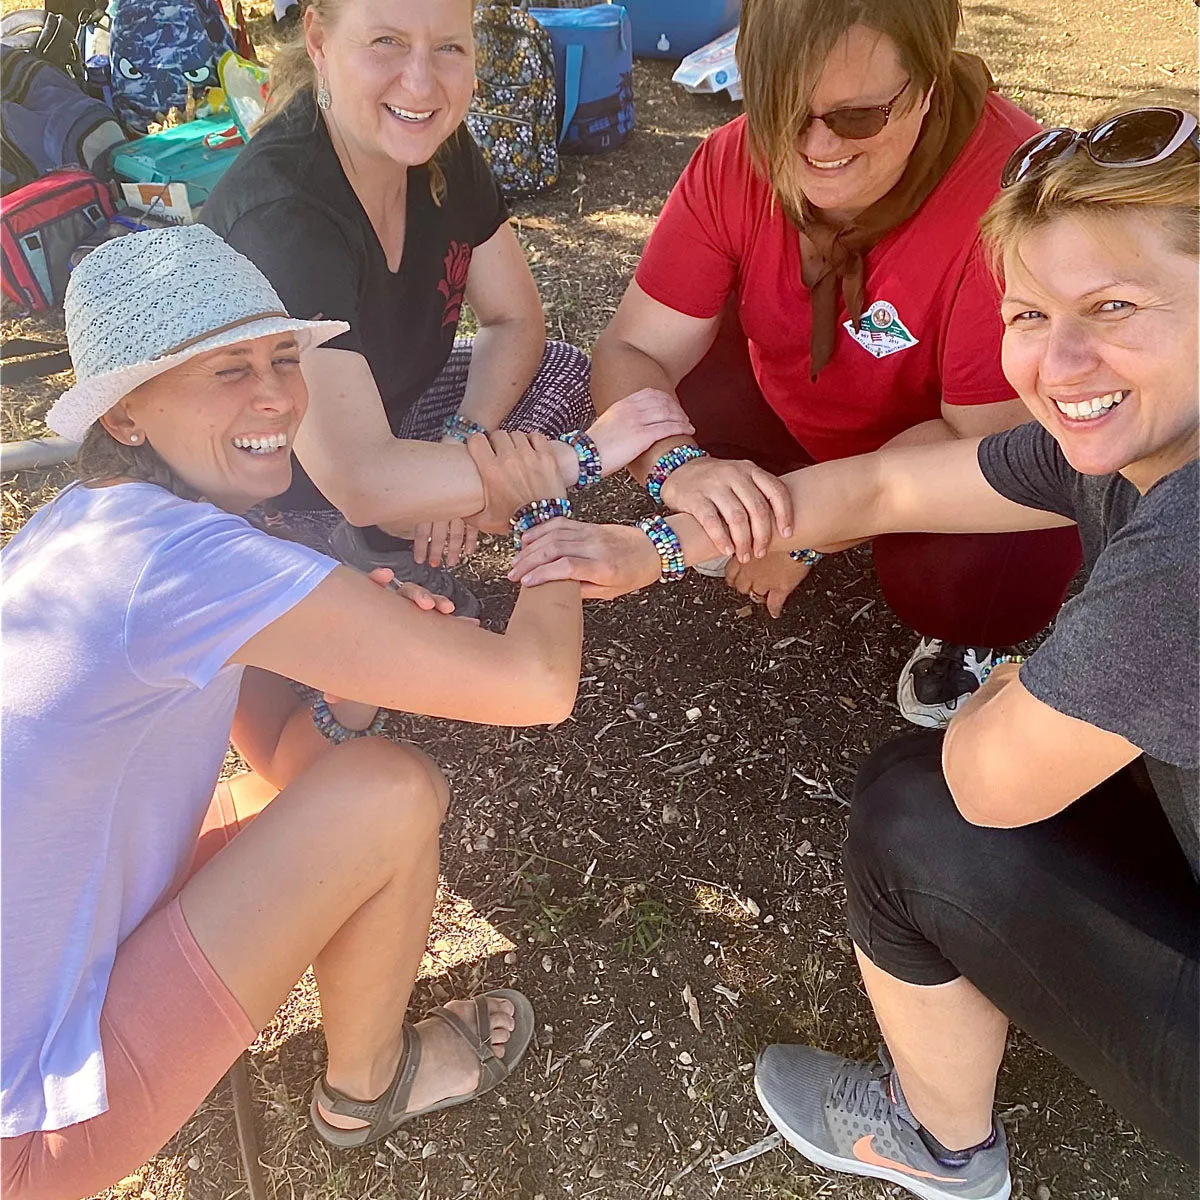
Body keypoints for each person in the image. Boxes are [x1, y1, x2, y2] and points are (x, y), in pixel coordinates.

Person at [507, 102, 1200, 1195]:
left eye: (1113, 307)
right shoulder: (1132, 435)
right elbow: (879, 483)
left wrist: (1026, 683)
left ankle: (940, 1145)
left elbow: (990, 778)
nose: (1058, 361)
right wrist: (656, 544)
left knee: (912, 807)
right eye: (1027, 311)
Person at [0, 223, 613, 1200]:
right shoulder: (190, 562)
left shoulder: (88, 530)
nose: (279, 396)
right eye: (227, 371)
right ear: (123, 417)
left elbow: (287, 757)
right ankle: (369, 1087)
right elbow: (538, 687)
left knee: (370, 788)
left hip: (58, 959)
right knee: (394, 791)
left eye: (283, 358)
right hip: (28, 1128)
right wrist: (548, 517)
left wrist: (349, 680)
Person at [589, 0, 1083, 726]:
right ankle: (757, 502)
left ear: (927, 88)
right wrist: (677, 467)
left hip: (958, 442)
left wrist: (803, 533)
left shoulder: (1010, 202)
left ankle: (966, 634)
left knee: (969, 570)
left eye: (855, 117)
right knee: (681, 393)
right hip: (817, 404)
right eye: (780, 108)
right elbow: (632, 348)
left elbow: (985, 448)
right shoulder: (734, 158)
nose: (813, 146)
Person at [202, 0, 601, 612]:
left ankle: (404, 524)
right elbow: (358, 474)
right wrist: (573, 460)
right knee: (327, 627)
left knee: (561, 370)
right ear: (318, 39)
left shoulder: (436, 141)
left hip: (390, 420)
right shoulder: (285, 215)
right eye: (386, 41)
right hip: (278, 478)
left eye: (449, 47)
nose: (421, 83)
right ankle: (349, 554)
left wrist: (463, 443)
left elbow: (515, 319)